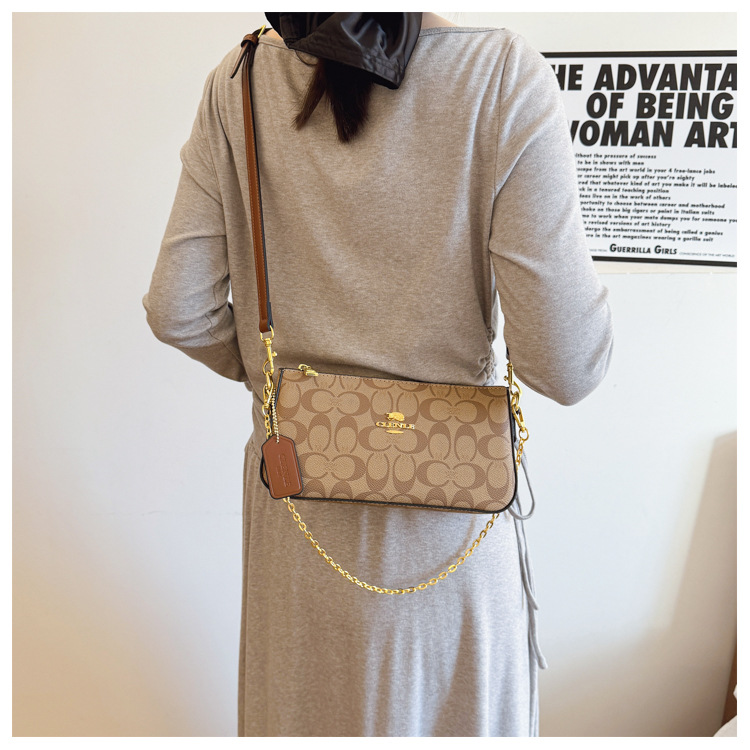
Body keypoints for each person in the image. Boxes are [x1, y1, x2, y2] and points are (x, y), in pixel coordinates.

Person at [143, 12, 613, 737]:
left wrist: (292, 395)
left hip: (298, 528)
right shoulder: (498, 75)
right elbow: (567, 363)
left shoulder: (240, 79)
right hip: (451, 538)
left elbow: (179, 309)